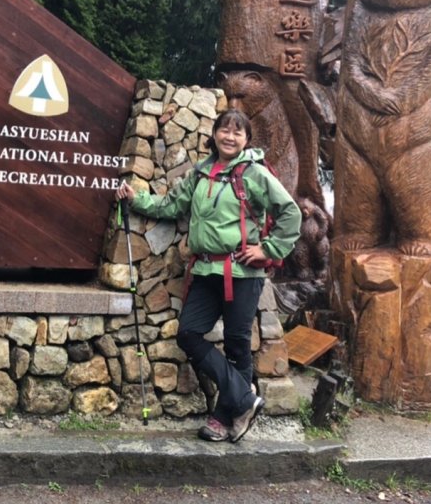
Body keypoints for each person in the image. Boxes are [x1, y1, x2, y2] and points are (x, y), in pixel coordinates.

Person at [116, 108, 301, 442]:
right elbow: (171, 206)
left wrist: (267, 250)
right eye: (224, 130)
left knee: (236, 344)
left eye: (237, 132)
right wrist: (136, 199)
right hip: (204, 268)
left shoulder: (254, 174)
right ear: (214, 134)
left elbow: (290, 212)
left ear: (246, 139)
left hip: (242, 272)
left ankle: (224, 417)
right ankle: (245, 401)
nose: (229, 137)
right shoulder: (202, 174)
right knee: (189, 333)